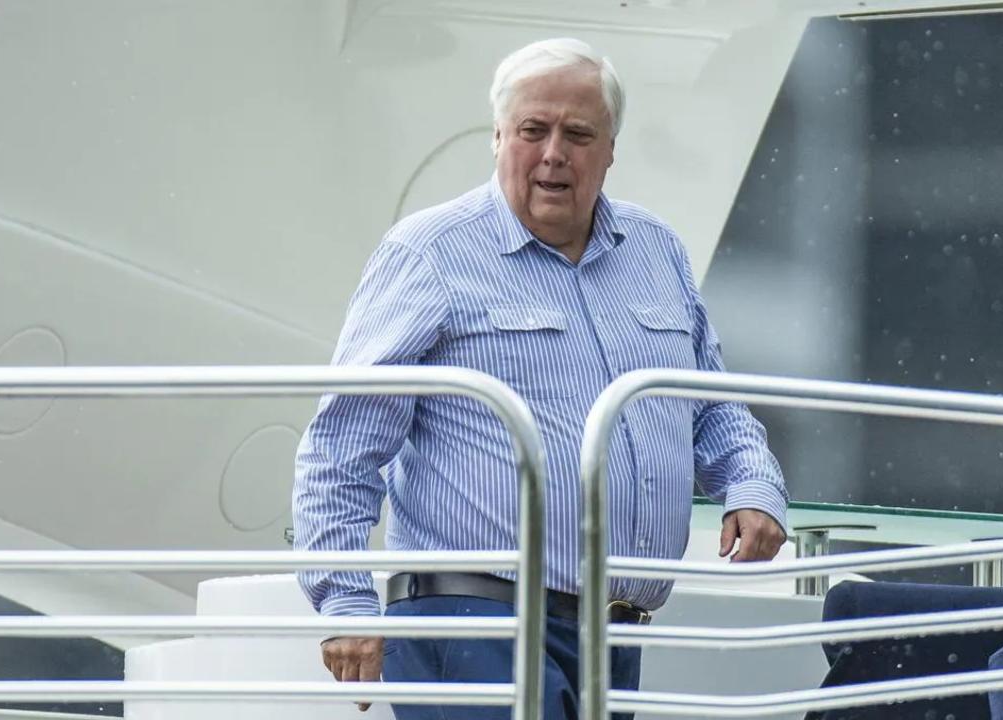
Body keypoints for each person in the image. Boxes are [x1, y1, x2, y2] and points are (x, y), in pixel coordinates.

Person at [292, 37, 789, 720]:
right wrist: (345, 599)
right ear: (496, 138)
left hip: (615, 638)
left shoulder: (656, 250)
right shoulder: (429, 252)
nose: (553, 152)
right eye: (533, 130)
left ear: (610, 148)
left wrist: (752, 485)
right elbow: (342, 443)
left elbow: (708, 405)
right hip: (474, 624)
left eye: (578, 134)